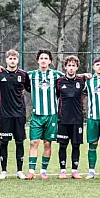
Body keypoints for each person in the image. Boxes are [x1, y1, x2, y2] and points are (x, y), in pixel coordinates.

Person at [0, 50, 31, 179]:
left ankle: (19, 171)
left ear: (18, 60)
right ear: (6, 60)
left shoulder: (23, 75)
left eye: (15, 58)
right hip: (4, 114)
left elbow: (30, 89)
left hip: (19, 114)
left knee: (19, 142)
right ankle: (3, 171)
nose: (12, 61)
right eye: (10, 58)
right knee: (4, 142)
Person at [26, 50, 64, 179]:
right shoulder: (30, 75)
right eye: (41, 58)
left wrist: (84, 75)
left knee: (47, 143)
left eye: (46, 58)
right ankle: (31, 171)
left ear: (50, 61)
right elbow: (15, 75)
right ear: (37, 60)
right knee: (34, 142)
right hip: (37, 115)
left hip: (51, 115)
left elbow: (71, 76)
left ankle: (43, 171)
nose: (43, 60)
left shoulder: (57, 75)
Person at [55, 55, 87, 179]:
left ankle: (74, 170)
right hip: (63, 119)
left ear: (77, 67)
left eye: (74, 66)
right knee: (62, 145)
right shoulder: (59, 82)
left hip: (77, 119)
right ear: (65, 67)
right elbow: (57, 96)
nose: (71, 68)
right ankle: (63, 170)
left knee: (76, 145)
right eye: (69, 65)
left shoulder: (81, 81)